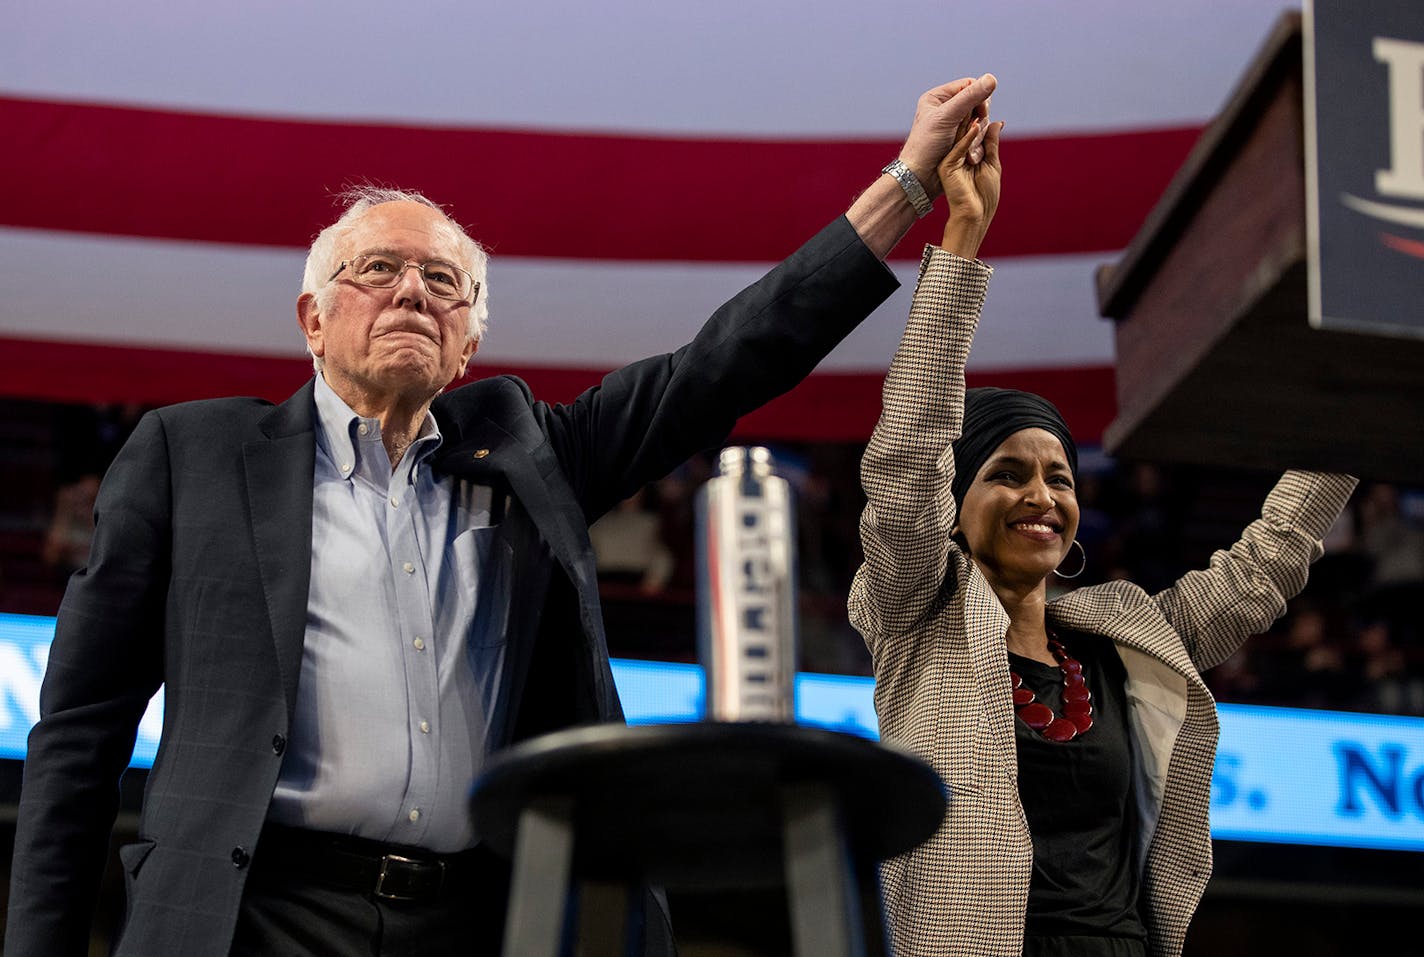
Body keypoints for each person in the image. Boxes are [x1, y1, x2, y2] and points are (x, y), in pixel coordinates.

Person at [7, 74, 1000, 957]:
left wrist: (906, 186)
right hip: (252, 914)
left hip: (479, 920)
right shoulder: (193, 456)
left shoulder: (530, 453)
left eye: (443, 281)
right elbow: (81, 728)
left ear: (467, 341)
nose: (410, 290)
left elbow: (726, 360)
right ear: (311, 320)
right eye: (377, 270)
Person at [847, 110, 1358, 955]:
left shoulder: (1125, 636)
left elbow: (1266, 563)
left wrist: (1356, 403)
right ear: (952, 499)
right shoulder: (913, 613)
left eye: (1058, 475)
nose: (1041, 493)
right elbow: (904, 458)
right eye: (1006, 471)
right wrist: (965, 236)